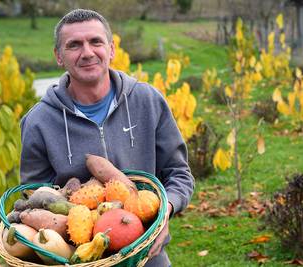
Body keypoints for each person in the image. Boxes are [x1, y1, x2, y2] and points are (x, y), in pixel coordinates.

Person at [20, 8, 194, 267]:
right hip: (79, 258)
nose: (87, 52)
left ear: (111, 49)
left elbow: (179, 174)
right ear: (59, 56)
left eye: (96, 42)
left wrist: (164, 212)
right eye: (74, 45)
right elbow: (34, 195)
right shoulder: (38, 122)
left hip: (147, 254)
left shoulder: (148, 101)